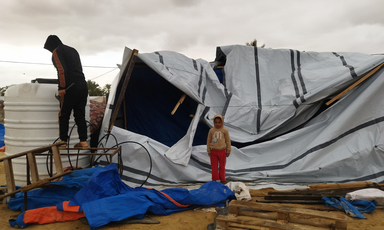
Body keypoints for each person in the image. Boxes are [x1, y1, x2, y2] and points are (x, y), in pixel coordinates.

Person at [44, 35, 89, 149]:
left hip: (70, 87)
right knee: (80, 115)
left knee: (64, 115)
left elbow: (62, 70)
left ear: (51, 45)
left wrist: (61, 87)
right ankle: (83, 142)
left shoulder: (57, 51)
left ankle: (63, 142)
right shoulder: (73, 50)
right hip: (83, 85)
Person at [207, 114, 231, 183]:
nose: (217, 124)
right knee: (214, 166)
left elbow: (228, 141)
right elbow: (208, 141)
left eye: (219, 122)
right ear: (214, 122)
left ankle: (223, 179)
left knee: (222, 166)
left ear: (222, 122)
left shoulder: (225, 130)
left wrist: (228, 150)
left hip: (222, 151)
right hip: (213, 151)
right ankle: (215, 179)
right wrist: (208, 150)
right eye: (216, 122)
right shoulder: (211, 130)